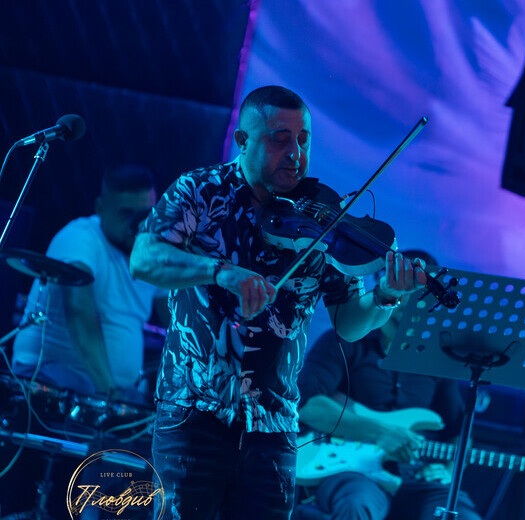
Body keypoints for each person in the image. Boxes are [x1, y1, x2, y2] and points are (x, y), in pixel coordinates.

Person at [129, 85, 426, 520]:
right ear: (242, 140)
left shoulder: (323, 216)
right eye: (279, 139)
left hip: (274, 428)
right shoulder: (199, 191)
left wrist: (386, 297)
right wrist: (219, 271)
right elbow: (144, 259)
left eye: (303, 140)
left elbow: (349, 323)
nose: (295, 154)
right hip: (194, 416)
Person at [295, 250, 483, 520]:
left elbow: (459, 432)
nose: (414, 296)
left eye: (424, 290)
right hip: (349, 470)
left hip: (416, 477)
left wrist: (448, 470)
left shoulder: (435, 360)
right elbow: (306, 406)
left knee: (462, 515)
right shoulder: (344, 340)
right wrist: (379, 432)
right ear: (384, 283)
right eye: (406, 285)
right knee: (357, 505)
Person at [12, 164, 163, 404]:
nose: (137, 225)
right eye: (126, 214)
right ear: (100, 208)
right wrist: (109, 393)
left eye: (144, 215)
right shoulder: (80, 238)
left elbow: (177, 319)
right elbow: (79, 312)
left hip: (111, 390)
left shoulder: (151, 249)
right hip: (50, 377)